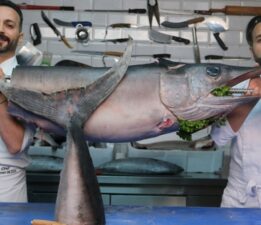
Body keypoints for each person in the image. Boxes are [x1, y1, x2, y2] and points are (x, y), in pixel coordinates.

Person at [210, 15, 261, 208]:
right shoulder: (238, 87)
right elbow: (217, 138)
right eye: (260, 40)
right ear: (252, 50)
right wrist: (251, 95)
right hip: (239, 201)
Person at [0, 0, 34, 202]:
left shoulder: (27, 79)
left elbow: (15, 143)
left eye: (9, 25)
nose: (0, 29)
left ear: (19, 37)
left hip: (5, 186)